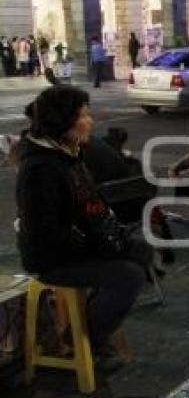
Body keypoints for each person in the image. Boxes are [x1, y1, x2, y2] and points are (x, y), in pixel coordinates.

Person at [15, 86, 148, 363]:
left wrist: (110, 235)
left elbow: (90, 207)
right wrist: (95, 244)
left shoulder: (68, 154)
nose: (91, 121)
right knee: (129, 275)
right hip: (52, 258)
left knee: (141, 253)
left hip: (79, 243)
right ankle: (83, 339)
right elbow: (47, 235)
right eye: (84, 115)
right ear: (64, 122)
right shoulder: (40, 170)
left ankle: (91, 326)